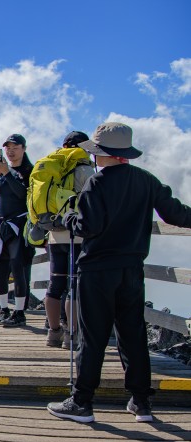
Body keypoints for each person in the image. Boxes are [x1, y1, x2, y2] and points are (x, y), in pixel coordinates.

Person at [47, 122, 191, 424]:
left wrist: (69, 217)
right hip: (131, 270)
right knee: (133, 335)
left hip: (97, 269)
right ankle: (141, 404)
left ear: (100, 153)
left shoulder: (96, 184)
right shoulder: (146, 180)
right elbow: (176, 214)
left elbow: (88, 227)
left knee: (93, 336)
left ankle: (82, 402)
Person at [42, 131, 96, 348]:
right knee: (74, 284)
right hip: (78, 235)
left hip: (55, 234)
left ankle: (53, 333)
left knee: (55, 283)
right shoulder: (86, 170)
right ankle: (71, 335)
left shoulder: (52, 167)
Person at [0, 134, 34, 328]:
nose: (11, 151)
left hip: (19, 225)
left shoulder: (29, 171)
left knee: (18, 267)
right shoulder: (4, 171)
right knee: (0, 268)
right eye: (7, 148)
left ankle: (20, 311)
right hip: (2, 226)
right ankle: (4, 309)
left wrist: (6, 173)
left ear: (24, 149)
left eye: (15, 147)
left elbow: (22, 194)